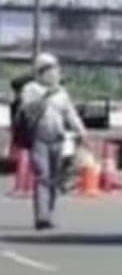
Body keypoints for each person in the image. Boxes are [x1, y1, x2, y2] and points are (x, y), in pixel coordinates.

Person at [20, 53, 87, 230]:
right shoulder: (31, 89)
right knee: (43, 176)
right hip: (39, 138)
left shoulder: (62, 93)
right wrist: (45, 96)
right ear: (40, 71)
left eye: (55, 68)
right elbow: (27, 110)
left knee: (54, 178)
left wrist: (81, 131)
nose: (54, 72)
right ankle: (42, 217)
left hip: (58, 139)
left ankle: (48, 212)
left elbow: (70, 114)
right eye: (49, 69)